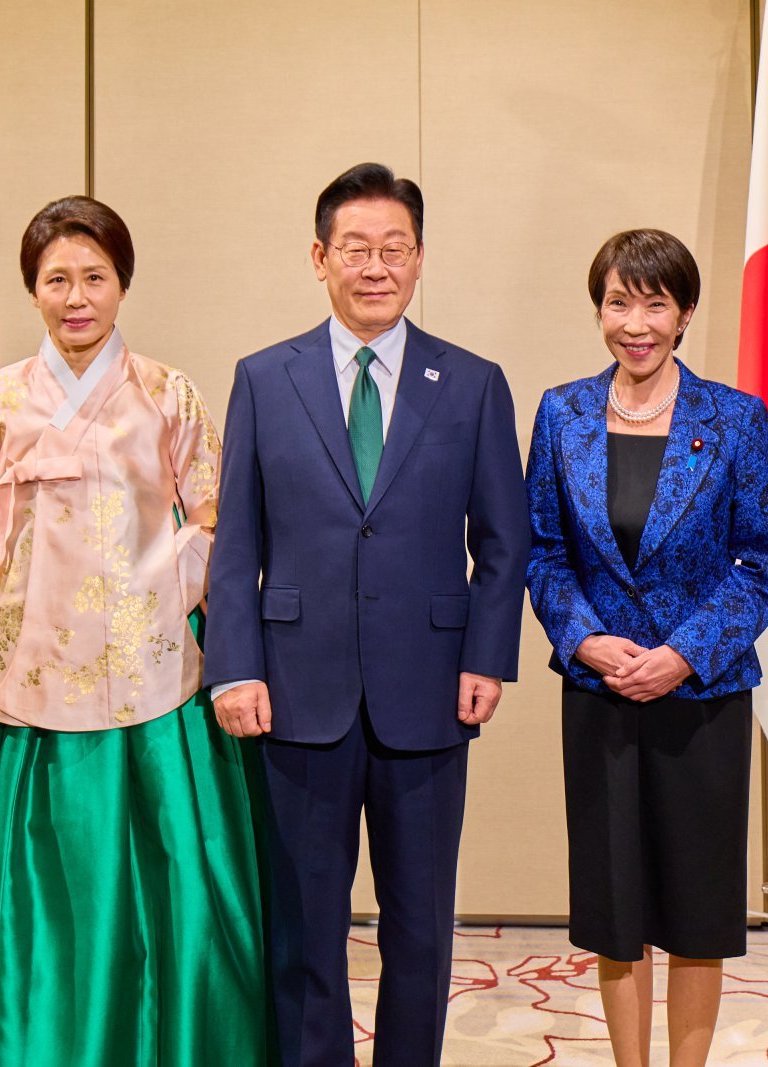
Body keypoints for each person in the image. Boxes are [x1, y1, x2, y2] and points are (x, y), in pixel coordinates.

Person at [0, 196, 271, 1066]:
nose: (77, 297)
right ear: (31, 290)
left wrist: (148, 601)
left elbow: (218, 521)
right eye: (56, 278)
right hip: (15, 665)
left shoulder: (169, 393)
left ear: (122, 285)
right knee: (17, 891)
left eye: (94, 277)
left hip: (148, 664)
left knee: (163, 883)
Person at [203, 162, 530, 1067]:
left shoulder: (470, 383)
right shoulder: (266, 378)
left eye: (395, 249)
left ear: (420, 258)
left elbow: (504, 542)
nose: (375, 266)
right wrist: (235, 665)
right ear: (319, 257)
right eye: (356, 248)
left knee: (420, 926)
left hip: (428, 691)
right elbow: (237, 543)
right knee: (304, 925)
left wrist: (486, 656)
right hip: (295, 691)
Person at [524, 229, 768, 1066]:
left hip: (700, 699)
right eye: (617, 301)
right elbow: (543, 550)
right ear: (598, 307)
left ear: (683, 314)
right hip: (600, 695)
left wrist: (683, 653)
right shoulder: (562, 411)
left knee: (696, 909)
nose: (634, 322)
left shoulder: (736, 418)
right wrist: (585, 640)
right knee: (616, 908)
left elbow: (764, 560)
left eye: (655, 303)